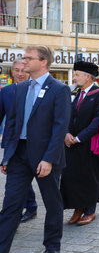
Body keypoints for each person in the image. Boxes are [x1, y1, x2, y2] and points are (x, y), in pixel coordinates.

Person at [0, 45, 71, 253]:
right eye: (23, 58)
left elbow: (60, 128)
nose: (24, 62)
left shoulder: (59, 89)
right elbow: (12, 124)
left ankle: (52, 247)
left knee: (52, 204)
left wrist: (48, 159)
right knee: (11, 205)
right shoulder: (20, 88)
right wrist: (7, 157)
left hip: (45, 156)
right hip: (19, 155)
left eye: (29, 58)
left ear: (43, 62)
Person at [61, 61, 99, 226]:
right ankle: (78, 208)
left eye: (77, 75)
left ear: (88, 77)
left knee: (89, 177)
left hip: (89, 144)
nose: (74, 78)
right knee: (73, 177)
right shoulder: (75, 92)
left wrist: (79, 138)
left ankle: (90, 210)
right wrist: (67, 134)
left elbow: (98, 120)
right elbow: (67, 114)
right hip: (71, 143)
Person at [0, 59, 38, 224]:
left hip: (35, 142)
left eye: (23, 70)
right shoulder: (6, 91)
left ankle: (30, 206)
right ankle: (24, 209)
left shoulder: (37, 90)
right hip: (13, 142)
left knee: (32, 177)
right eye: (16, 70)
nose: (20, 74)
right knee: (16, 178)